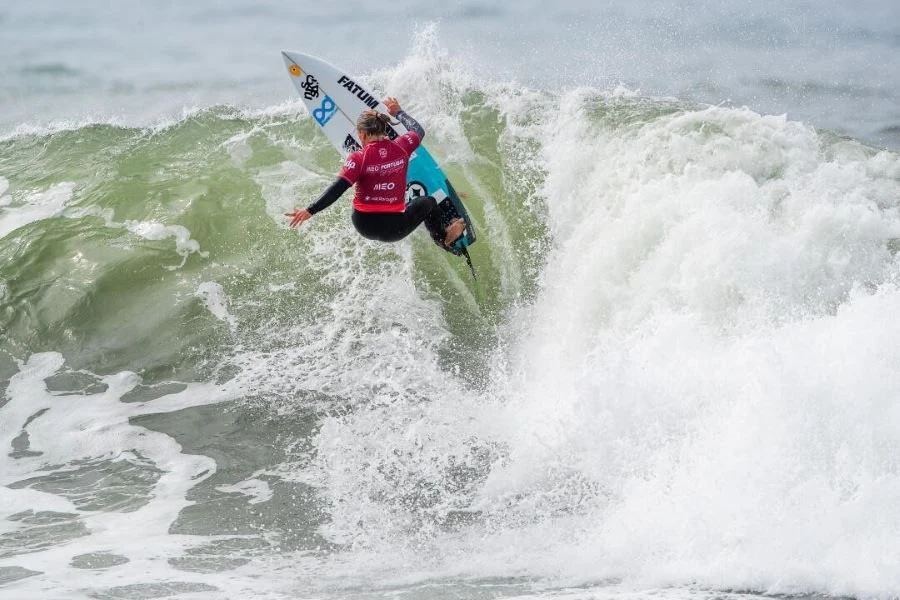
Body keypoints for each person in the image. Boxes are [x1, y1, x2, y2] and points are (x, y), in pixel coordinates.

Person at [285, 97, 466, 248]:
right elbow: (418, 130)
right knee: (428, 201)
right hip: (395, 230)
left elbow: (337, 188)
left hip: (363, 225)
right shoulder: (403, 146)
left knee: (363, 188)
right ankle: (443, 238)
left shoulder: (357, 158)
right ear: (384, 129)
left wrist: (310, 210)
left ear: (362, 134)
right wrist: (398, 112)